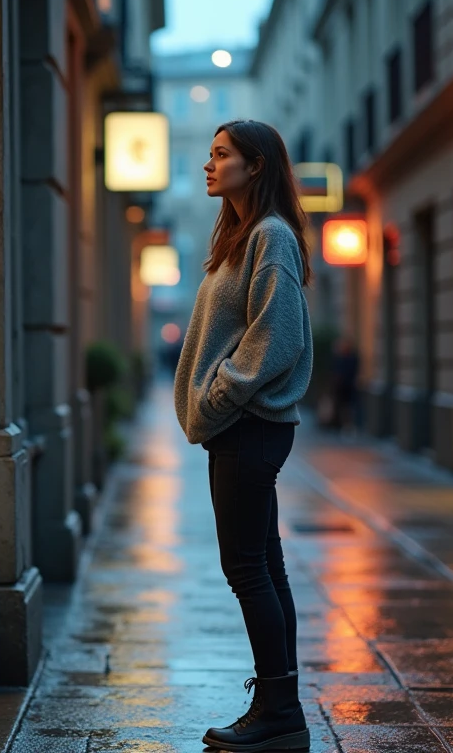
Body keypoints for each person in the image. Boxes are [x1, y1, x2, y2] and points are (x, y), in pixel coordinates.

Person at [173, 119, 314, 752]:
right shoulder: (238, 238)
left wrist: (220, 394)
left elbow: (275, 334)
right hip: (241, 427)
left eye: (221, 154)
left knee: (247, 569)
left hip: (247, 426)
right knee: (266, 567)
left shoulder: (271, 236)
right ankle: (280, 706)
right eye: (209, 154)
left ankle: (278, 711)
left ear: (256, 166)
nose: (209, 164)